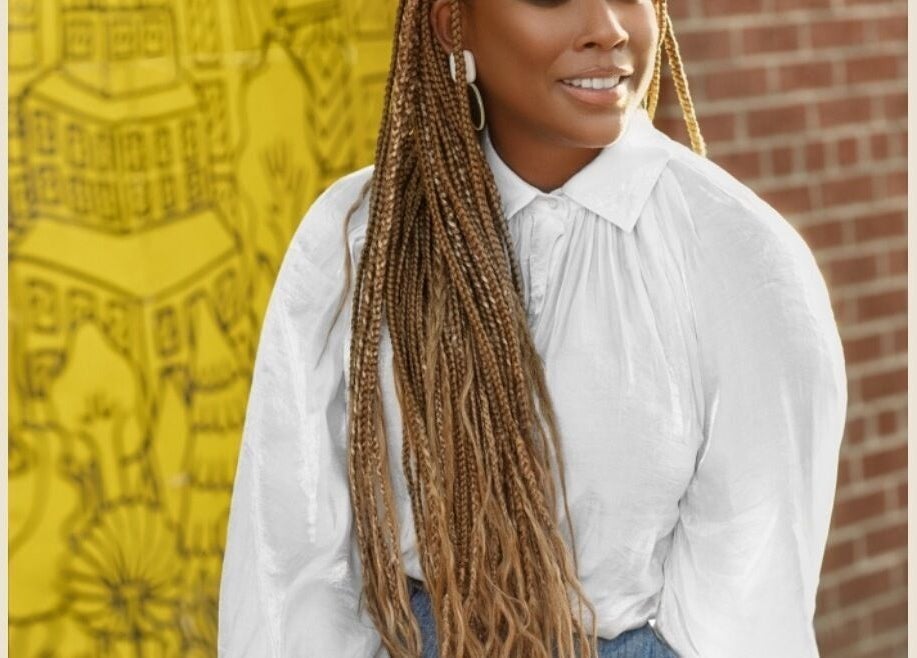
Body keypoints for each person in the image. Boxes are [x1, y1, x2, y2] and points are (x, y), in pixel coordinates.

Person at [217, 0, 848, 655]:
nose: (607, 27)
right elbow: (291, 566)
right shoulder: (358, 238)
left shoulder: (738, 256)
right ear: (450, 23)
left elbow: (747, 608)